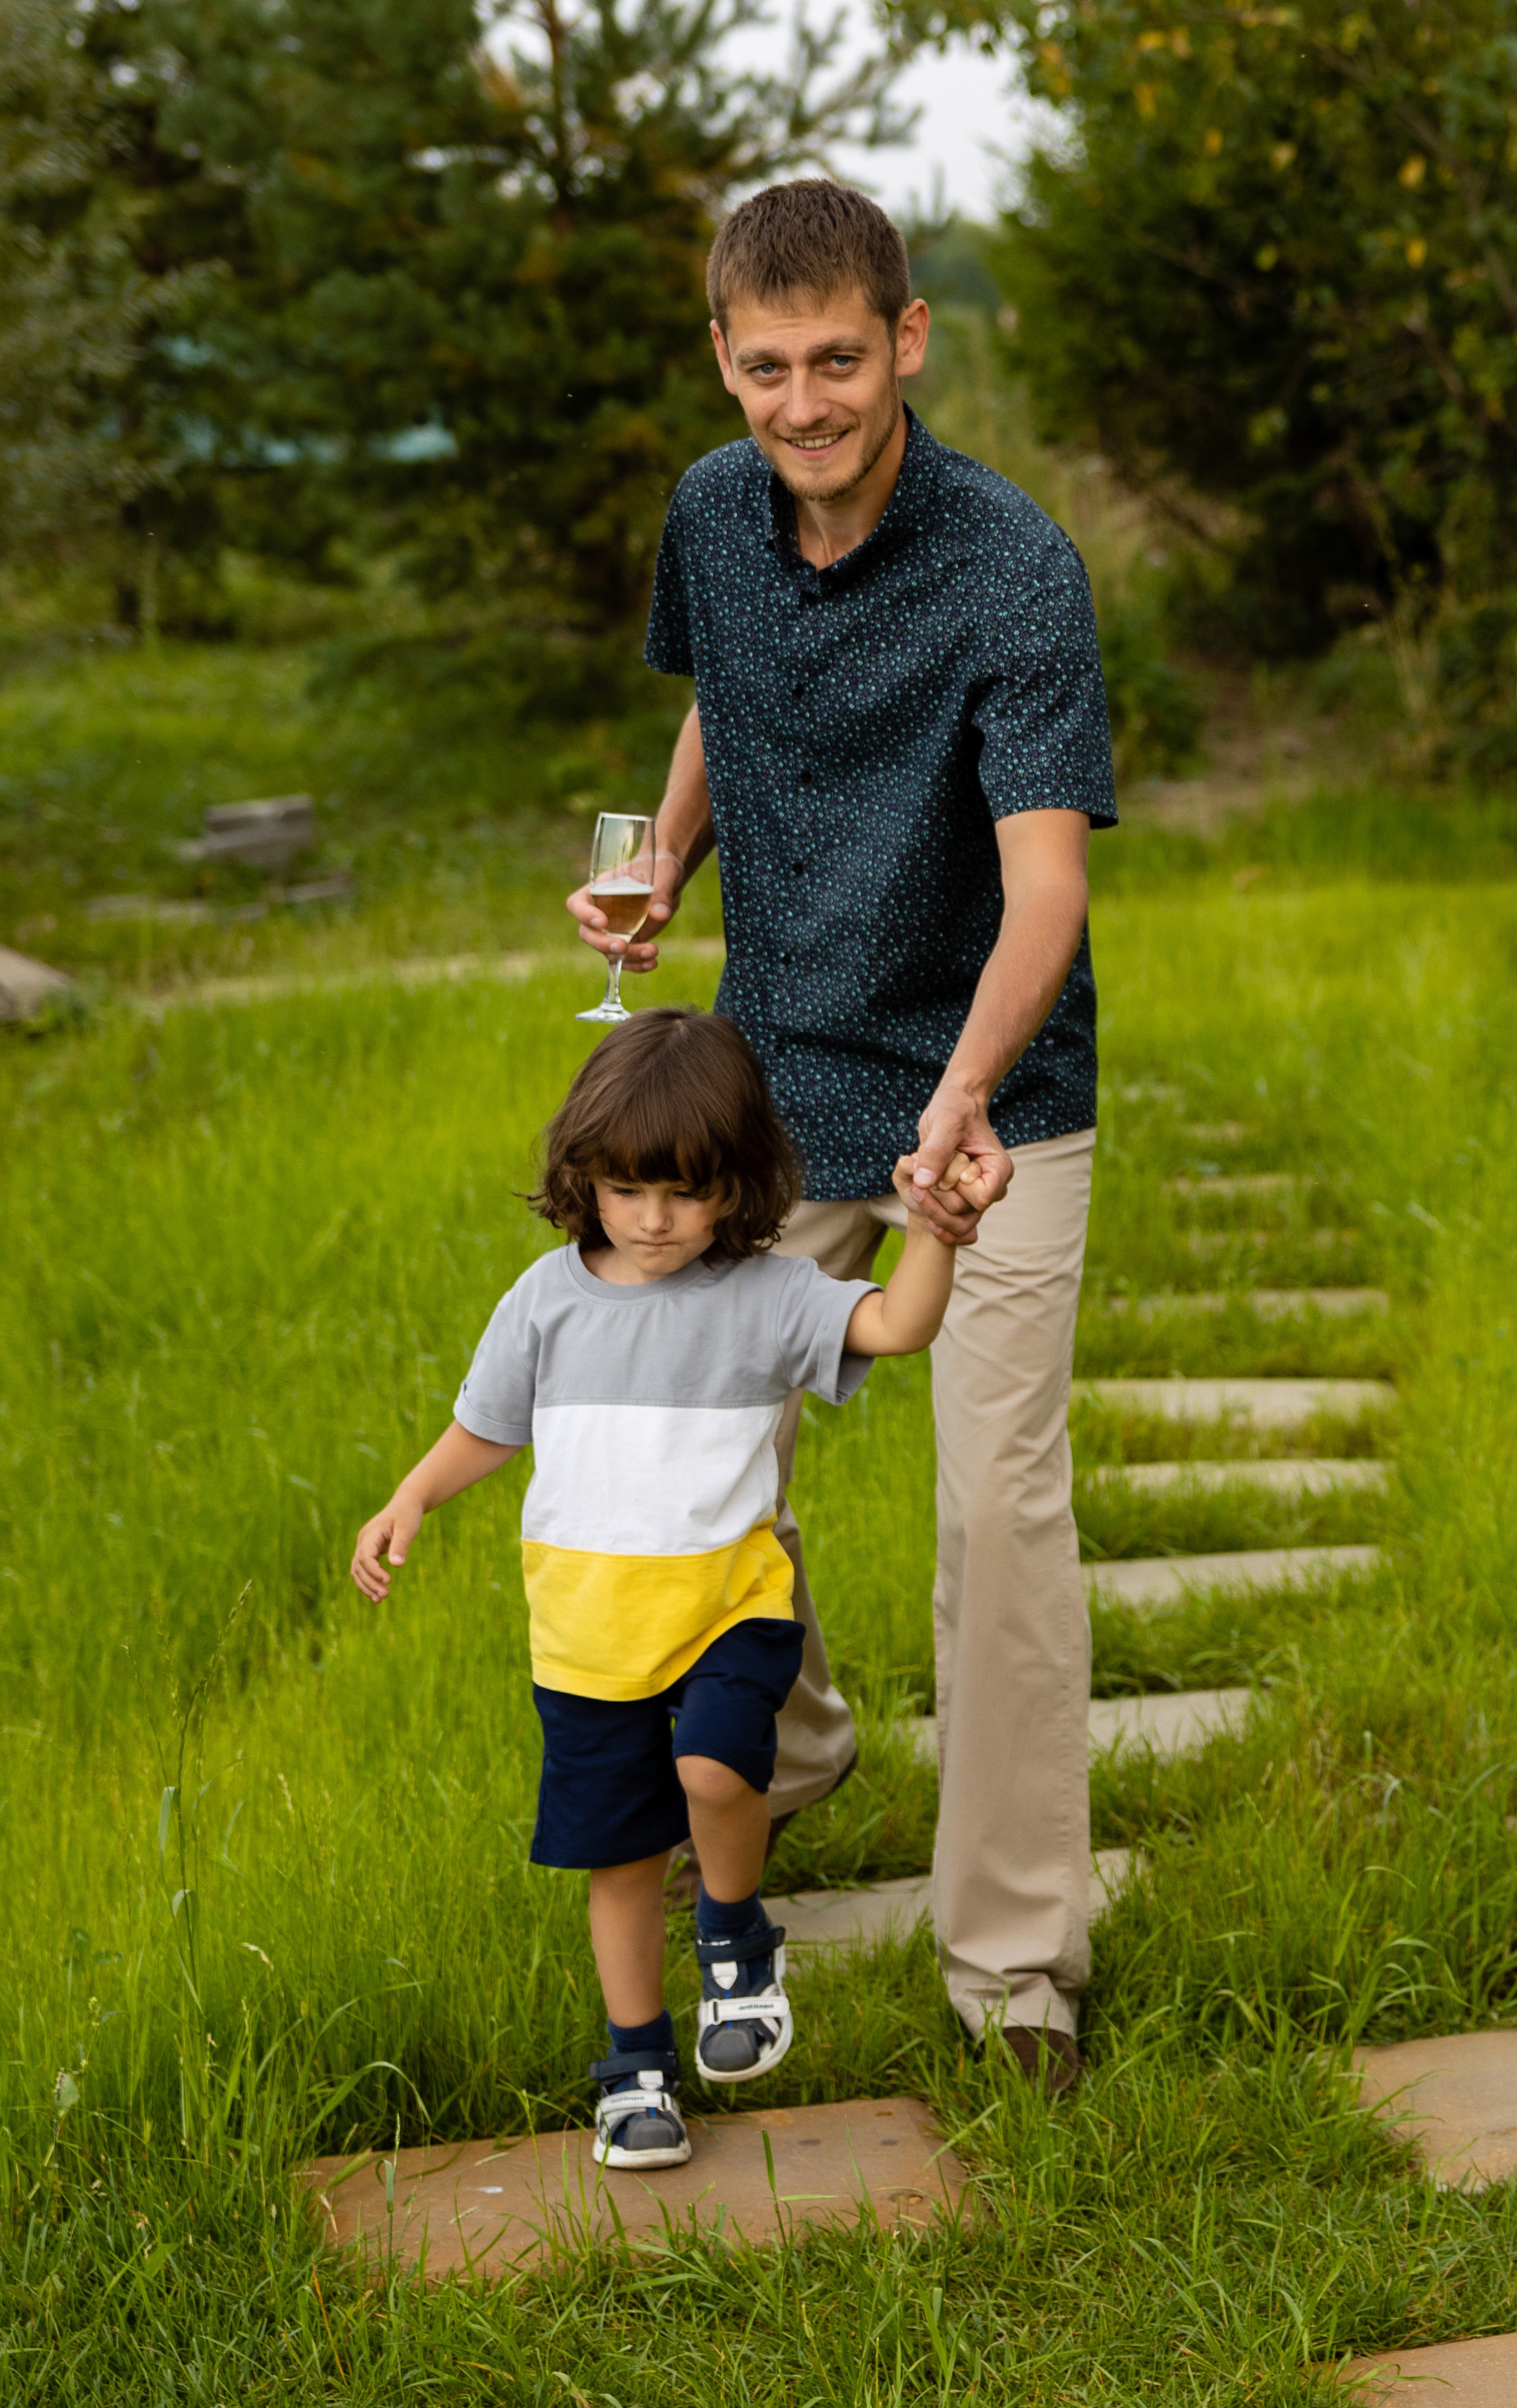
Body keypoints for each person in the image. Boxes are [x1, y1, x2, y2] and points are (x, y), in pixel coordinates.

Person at [567, 180, 1119, 2090]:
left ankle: (1017, 1961)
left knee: (1000, 1508)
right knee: (702, 1457)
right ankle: (788, 1745)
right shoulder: (715, 512)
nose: (801, 401)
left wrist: (963, 1093)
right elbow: (727, 694)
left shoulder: (1015, 565)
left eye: (837, 358)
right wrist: (662, 868)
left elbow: (1044, 885)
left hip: (998, 1095)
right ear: (725, 355)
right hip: (771, 1086)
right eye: (764, 364)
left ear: (908, 340)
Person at [350, 1007, 980, 2168]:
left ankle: (735, 1937)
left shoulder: (771, 1291)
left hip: (728, 1605)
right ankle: (635, 2067)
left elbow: (898, 1321)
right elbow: (486, 1427)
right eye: (627, 1189)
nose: (652, 1220)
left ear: (738, 1186)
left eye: (685, 1194)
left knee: (713, 1767)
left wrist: (937, 1228)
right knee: (622, 1857)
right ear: (582, 1175)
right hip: (587, 1635)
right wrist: (412, 1499)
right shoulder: (545, 1298)